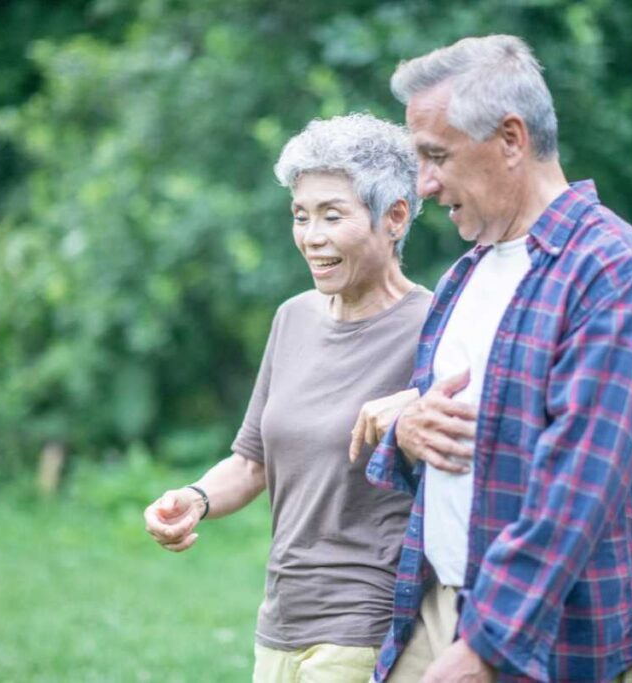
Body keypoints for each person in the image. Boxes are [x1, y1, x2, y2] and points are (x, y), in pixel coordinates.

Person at [363, 35, 632, 683]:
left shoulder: (616, 272)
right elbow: (450, 446)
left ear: (511, 139)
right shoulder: (466, 274)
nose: (424, 185)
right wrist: (406, 430)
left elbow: (582, 484)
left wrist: (486, 647)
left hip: (557, 638)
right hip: (436, 612)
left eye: (436, 156)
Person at [143, 113, 432, 683]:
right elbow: (253, 462)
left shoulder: (434, 326)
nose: (311, 236)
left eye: (332, 215)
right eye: (301, 216)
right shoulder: (293, 318)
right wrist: (195, 499)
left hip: (366, 622)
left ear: (394, 216)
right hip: (279, 619)